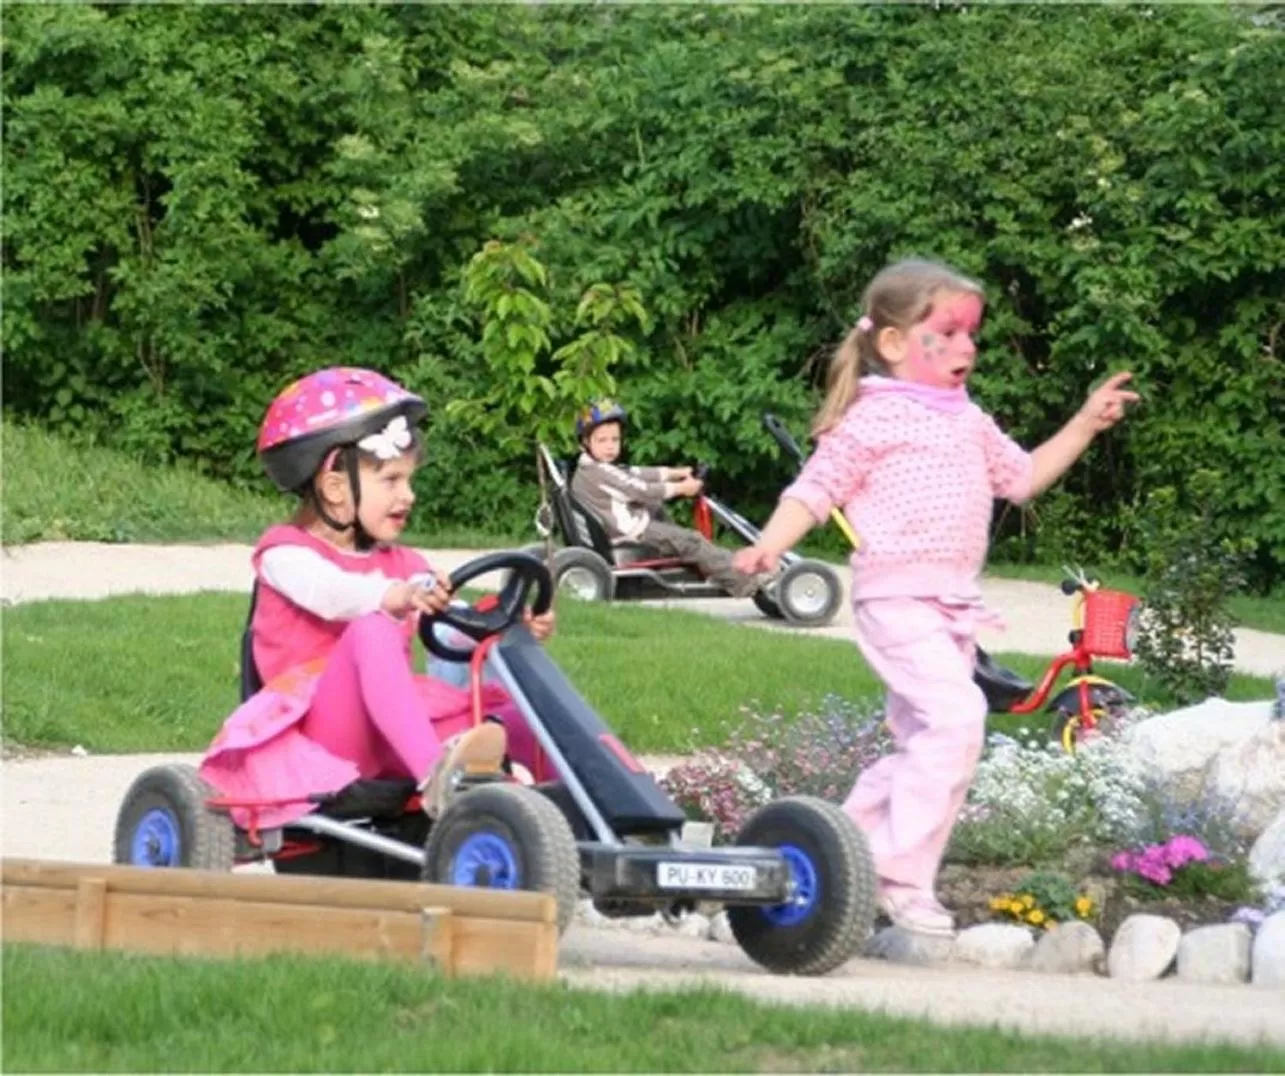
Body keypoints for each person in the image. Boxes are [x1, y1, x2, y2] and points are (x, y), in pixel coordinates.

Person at [731, 258, 1139, 936]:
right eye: (947, 333)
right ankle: (897, 877)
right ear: (893, 342)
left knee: (926, 743)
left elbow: (1022, 478)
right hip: (896, 603)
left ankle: (836, 858)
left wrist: (1084, 422)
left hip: (951, 611)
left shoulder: (968, 420)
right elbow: (815, 488)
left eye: (971, 334)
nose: (965, 347)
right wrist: (770, 544)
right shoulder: (871, 419)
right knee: (956, 722)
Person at [199, 366, 554, 830]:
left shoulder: (403, 563)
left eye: (409, 480)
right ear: (334, 487)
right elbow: (332, 594)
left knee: (518, 717)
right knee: (373, 630)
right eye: (391, 480)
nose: (408, 495)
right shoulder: (285, 554)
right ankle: (438, 781)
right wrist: (396, 595)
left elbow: (449, 625)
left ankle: (566, 814)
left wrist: (504, 624)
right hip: (320, 739)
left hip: (389, 733)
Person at [570, 399, 762, 598]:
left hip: (624, 528)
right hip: (631, 532)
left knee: (657, 509)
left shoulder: (593, 467)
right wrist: (681, 488)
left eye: (615, 440)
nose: (610, 446)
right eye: (602, 441)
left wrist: (677, 472)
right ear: (586, 442)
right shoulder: (599, 472)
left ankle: (704, 561)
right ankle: (746, 584)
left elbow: (636, 472)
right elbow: (641, 489)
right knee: (692, 541)